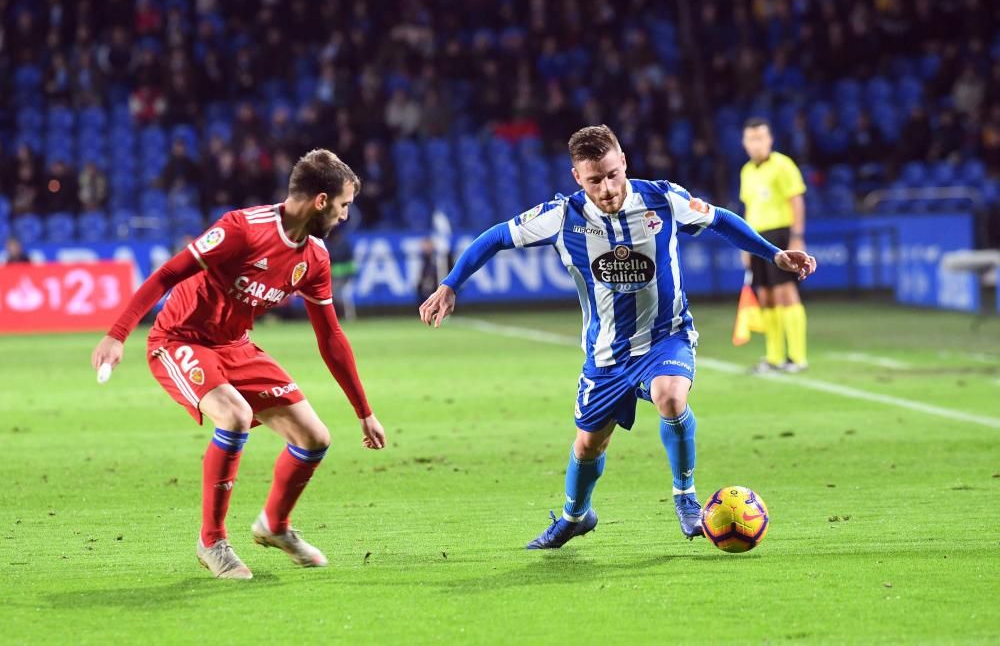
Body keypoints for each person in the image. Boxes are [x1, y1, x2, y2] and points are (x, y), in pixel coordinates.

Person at [419, 125, 816, 549]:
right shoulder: (562, 216)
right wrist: (450, 284)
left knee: (671, 397)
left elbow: (720, 219)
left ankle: (685, 496)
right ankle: (575, 516)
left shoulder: (663, 198)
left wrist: (773, 253)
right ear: (577, 177)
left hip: (666, 336)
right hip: (606, 354)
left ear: (623, 161)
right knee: (589, 445)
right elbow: (496, 237)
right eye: (594, 180)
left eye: (612, 174)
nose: (607, 188)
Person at [91, 149, 386, 579]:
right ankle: (212, 541)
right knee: (234, 415)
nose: (345, 215)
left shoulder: (315, 258)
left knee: (315, 437)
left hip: (236, 345)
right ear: (321, 201)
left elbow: (331, 338)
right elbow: (167, 274)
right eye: (343, 205)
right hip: (180, 339)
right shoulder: (242, 230)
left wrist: (364, 412)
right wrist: (117, 334)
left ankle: (274, 526)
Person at [739, 117, 810, 373]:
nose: (756, 143)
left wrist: (797, 236)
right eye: (751, 138)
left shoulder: (783, 165)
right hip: (757, 238)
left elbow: (796, 201)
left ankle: (798, 357)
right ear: (744, 143)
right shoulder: (746, 171)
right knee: (766, 295)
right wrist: (745, 246)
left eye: (760, 137)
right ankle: (774, 356)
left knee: (785, 292)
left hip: (780, 235)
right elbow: (748, 209)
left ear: (770, 140)